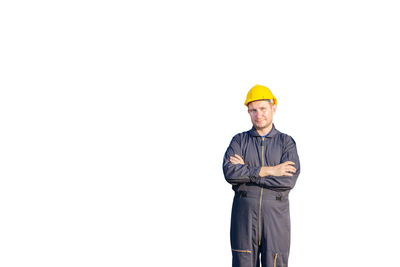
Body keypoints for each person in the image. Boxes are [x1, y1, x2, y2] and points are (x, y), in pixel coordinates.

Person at [223, 84, 300, 267]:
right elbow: (230, 173)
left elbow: (287, 180)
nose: (258, 115)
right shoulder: (239, 141)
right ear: (248, 112)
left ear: (274, 108)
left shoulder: (286, 143)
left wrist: (247, 172)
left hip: (276, 218)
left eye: (263, 109)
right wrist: (270, 170)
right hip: (244, 217)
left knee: (275, 263)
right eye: (253, 110)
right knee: (243, 262)